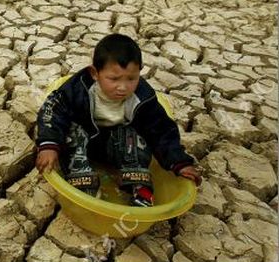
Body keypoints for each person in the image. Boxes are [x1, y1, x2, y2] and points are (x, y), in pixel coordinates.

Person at [35, 33, 202, 207]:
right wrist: (49, 144)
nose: (123, 87)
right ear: (95, 73)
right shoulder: (78, 89)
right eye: (114, 79)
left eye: (131, 79)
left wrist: (179, 162)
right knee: (73, 131)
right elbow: (52, 112)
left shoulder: (143, 97)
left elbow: (161, 130)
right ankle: (81, 179)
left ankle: (140, 187)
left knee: (132, 135)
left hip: (118, 147)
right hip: (82, 144)